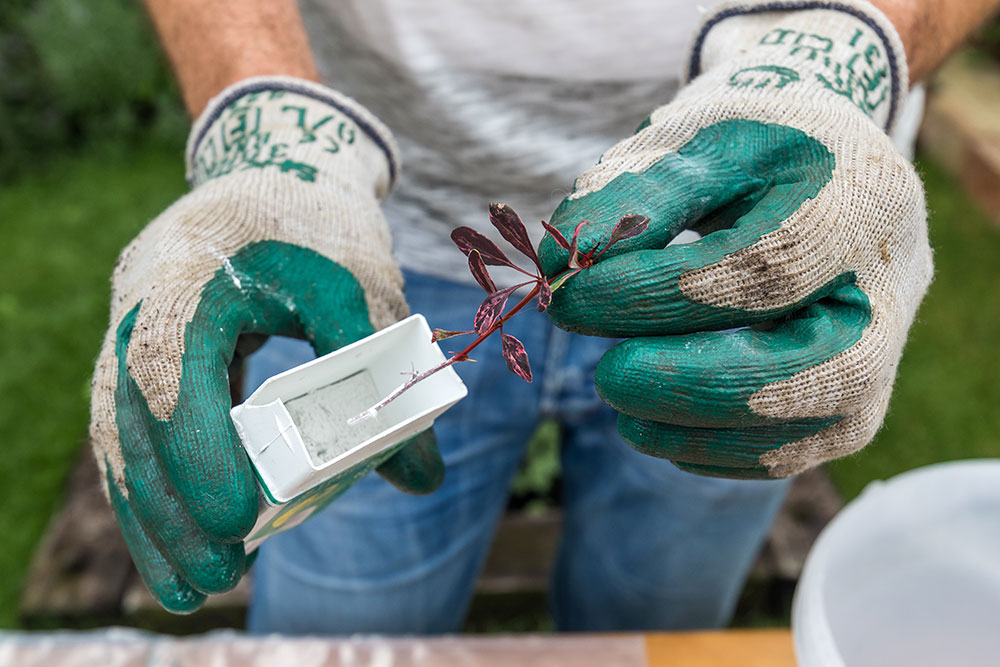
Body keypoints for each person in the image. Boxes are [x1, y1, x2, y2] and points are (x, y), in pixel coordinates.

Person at [88, 0, 999, 633]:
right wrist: (271, 126)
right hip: (368, 236)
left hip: (739, 226)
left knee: (656, 618)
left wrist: (842, 55)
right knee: (342, 624)